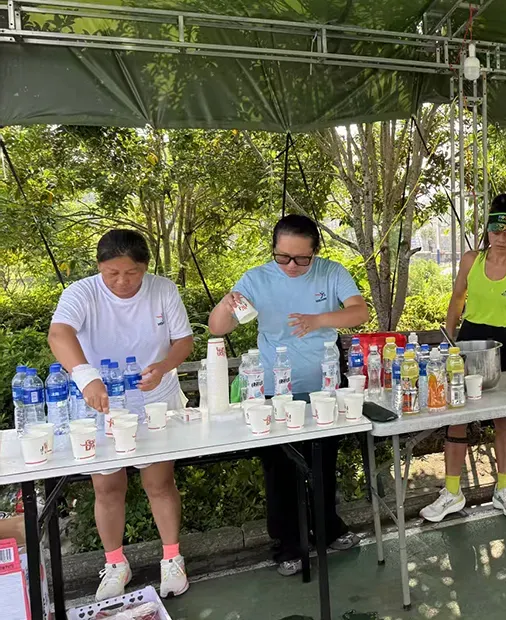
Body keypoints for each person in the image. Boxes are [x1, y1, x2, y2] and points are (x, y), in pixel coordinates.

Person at [208, 214, 370, 575]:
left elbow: (359, 312)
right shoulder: (256, 278)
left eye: (301, 258)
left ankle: (328, 529)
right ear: (273, 250)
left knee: (323, 462)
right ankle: (288, 545)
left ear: (316, 252)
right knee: (280, 469)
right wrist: (225, 305)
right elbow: (218, 328)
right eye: (283, 257)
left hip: (323, 387)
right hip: (273, 390)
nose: (292, 266)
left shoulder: (331, 273)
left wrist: (318, 320)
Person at [47, 230, 193, 601]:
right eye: (112, 273)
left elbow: (183, 340)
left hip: (154, 398)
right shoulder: (81, 293)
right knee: (108, 487)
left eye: (132, 273)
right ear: (99, 267)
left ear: (145, 267)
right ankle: (115, 564)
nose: (122, 281)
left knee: (160, 482)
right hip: (102, 401)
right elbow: (59, 334)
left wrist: (163, 366)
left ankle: (172, 559)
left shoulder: (163, 290)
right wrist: (86, 377)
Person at [419, 194, 506, 523]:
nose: (501, 238)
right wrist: (448, 341)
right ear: (487, 230)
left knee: (505, 418)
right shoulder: (470, 260)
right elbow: (457, 299)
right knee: (457, 416)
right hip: (469, 340)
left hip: (504, 343)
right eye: (496, 231)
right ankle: (452, 492)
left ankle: (503, 489)